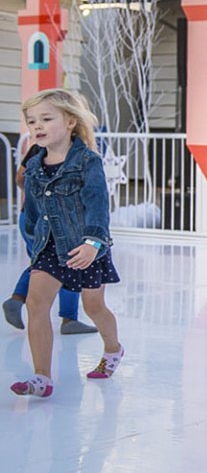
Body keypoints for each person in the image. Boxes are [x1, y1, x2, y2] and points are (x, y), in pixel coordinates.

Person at [11, 89, 122, 398]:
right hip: (49, 247)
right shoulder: (34, 165)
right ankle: (42, 377)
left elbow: (98, 205)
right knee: (36, 304)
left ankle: (113, 349)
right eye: (32, 121)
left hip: (85, 245)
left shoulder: (87, 161)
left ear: (71, 121)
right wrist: (34, 242)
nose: (38, 126)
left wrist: (93, 243)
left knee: (94, 306)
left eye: (47, 119)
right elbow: (32, 209)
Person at [3, 143, 97, 334]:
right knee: (67, 263)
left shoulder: (38, 150)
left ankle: (17, 299)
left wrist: (36, 195)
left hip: (31, 216)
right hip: (54, 220)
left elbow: (20, 177)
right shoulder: (77, 154)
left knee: (43, 262)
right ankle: (69, 318)